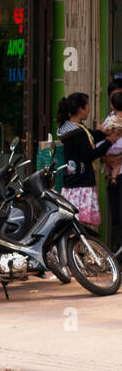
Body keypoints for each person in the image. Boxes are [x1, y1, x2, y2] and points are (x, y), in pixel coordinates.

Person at [57, 92, 119, 229]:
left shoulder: (77, 127)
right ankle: (77, 249)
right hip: (79, 184)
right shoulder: (75, 132)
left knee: (79, 226)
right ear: (80, 109)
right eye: (87, 106)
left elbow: (91, 136)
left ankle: (79, 249)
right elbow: (89, 155)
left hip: (78, 181)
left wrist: (105, 133)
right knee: (78, 226)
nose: (89, 109)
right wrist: (109, 142)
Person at [101, 90, 122, 251]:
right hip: (116, 163)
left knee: (117, 216)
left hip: (112, 157)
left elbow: (102, 137)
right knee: (117, 215)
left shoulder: (110, 120)